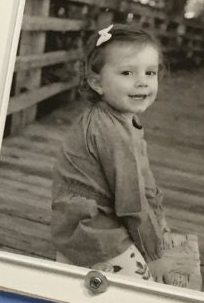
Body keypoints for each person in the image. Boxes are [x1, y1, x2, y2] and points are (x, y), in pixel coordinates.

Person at [50, 23, 193, 287]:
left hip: (86, 218)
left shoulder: (120, 119)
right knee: (149, 289)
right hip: (93, 229)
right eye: (127, 72)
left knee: (166, 244)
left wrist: (158, 219)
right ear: (97, 82)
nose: (142, 82)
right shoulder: (112, 132)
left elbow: (144, 183)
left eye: (150, 72)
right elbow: (131, 201)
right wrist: (153, 254)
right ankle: (89, 265)